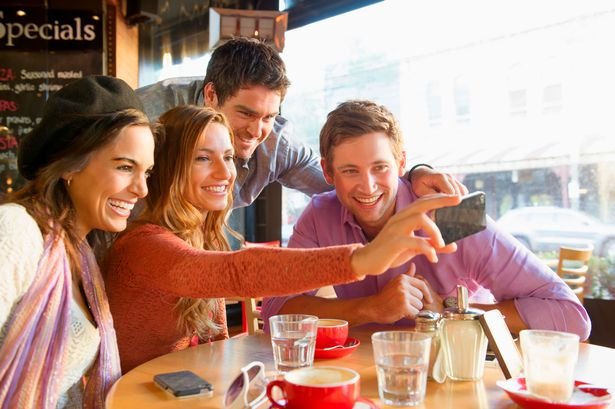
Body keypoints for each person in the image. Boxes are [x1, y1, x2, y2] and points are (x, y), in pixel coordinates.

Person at [102, 104, 462, 373]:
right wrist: (365, 259)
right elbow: (239, 276)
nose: (224, 171)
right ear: (167, 167)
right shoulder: (144, 246)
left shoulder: (202, 239)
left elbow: (523, 297)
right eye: (202, 158)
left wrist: (414, 173)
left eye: (228, 157)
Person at [261, 100, 591, 340]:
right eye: (350, 171)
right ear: (329, 173)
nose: (368, 186)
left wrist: (450, 311)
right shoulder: (320, 215)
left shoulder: (453, 213)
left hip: (459, 371)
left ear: (401, 162)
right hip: (368, 376)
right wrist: (371, 308)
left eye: (380, 167)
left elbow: (572, 316)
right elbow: (276, 309)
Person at [136, 37, 466, 209]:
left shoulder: (276, 144)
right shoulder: (146, 119)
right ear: (211, 95)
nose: (256, 131)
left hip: (198, 251)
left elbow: (342, 183)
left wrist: (415, 174)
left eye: (268, 116)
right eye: (246, 114)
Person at [0, 76, 156, 408]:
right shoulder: (17, 230)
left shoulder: (84, 255)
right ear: (72, 164)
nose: (141, 189)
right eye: (126, 167)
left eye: (147, 172)